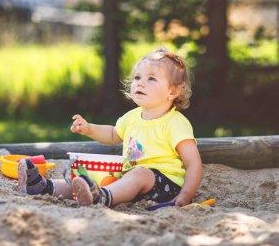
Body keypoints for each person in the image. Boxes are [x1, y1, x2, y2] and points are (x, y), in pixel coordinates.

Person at [18, 48, 203, 208]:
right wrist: (89, 129)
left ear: (173, 91)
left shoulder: (175, 123)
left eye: (152, 79)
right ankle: (45, 187)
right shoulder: (132, 117)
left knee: (139, 174)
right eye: (137, 77)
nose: (141, 82)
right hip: (131, 180)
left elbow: (193, 163)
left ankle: (102, 197)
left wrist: (185, 195)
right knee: (92, 178)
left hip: (166, 185)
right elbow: (114, 134)